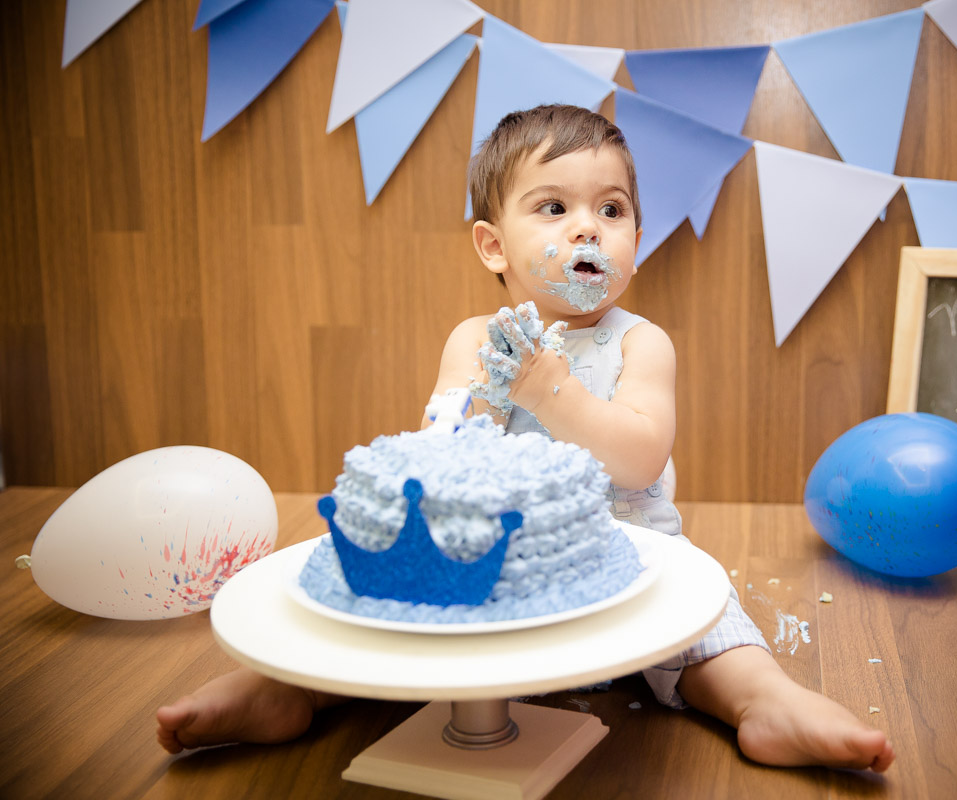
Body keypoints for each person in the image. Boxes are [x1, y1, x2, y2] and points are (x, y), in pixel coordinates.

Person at [157, 104, 894, 773]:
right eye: (554, 207)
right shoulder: (475, 339)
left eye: (611, 209)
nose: (587, 228)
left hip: (628, 565)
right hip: (497, 574)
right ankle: (285, 691)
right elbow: (446, 454)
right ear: (493, 246)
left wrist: (550, 391)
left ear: (636, 241)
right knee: (383, 622)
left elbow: (639, 460)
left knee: (712, 631)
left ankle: (764, 703)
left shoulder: (641, 344)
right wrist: (480, 398)